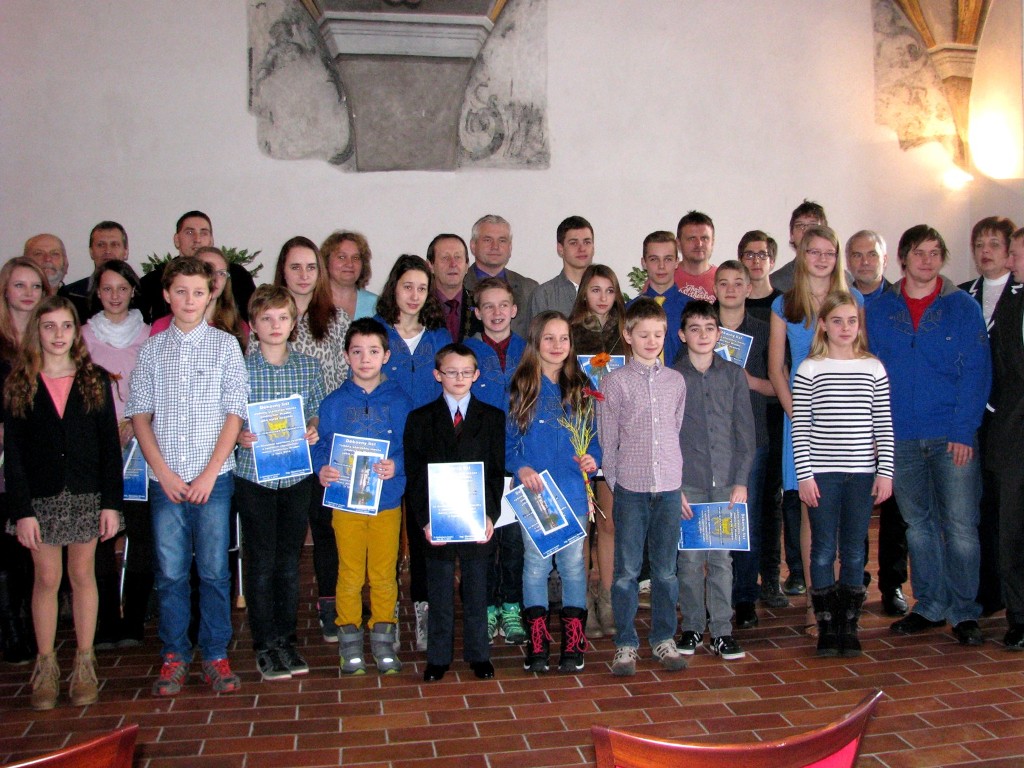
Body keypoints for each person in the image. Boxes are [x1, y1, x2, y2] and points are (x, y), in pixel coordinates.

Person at [126, 256, 248, 696]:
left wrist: (210, 474)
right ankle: (174, 654)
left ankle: (215, 653)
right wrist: (162, 472)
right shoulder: (153, 349)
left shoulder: (225, 346)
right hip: (166, 482)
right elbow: (140, 414)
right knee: (171, 572)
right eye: (180, 291)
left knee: (215, 572)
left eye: (198, 292)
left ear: (211, 294)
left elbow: (235, 413)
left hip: (214, 480)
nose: (190, 300)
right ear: (166, 295)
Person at [866, 224, 990, 646]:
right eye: (919, 252)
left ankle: (964, 611)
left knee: (960, 526)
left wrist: (963, 430)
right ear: (903, 258)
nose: (927, 260)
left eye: (935, 252)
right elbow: (872, 374)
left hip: (951, 436)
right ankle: (931, 605)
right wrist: (879, 434)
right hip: (900, 437)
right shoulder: (881, 309)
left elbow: (977, 372)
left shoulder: (962, 307)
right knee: (918, 526)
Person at [5, 296, 123, 709]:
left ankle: (85, 662)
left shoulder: (94, 379)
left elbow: (109, 447)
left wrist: (111, 503)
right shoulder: (20, 382)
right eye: (49, 326)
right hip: (40, 499)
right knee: (47, 579)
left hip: (86, 494)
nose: (58, 334)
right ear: (36, 331)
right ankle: (46, 664)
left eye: (66, 326)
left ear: (77, 332)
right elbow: (14, 454)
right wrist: (22, 510)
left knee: (82, 575)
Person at [793, 291, 894, 657]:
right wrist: (805, 475)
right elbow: (801, 427)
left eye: (852, 321)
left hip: (862, 474)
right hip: (823, 473)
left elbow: (883, 424)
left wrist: (886, 472)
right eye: (837, 321)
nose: (845, 328)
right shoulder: (810, 369)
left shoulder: (873, 368)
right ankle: (826, 626)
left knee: (853, 550)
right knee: (822, 550)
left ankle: (848, 624)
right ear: (823, 325)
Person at [768, 226, 859, 632]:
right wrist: (798, 416)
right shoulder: (784, 304)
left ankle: (844, 602)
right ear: (801, 255)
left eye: (829, 252)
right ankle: (815, 602)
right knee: (812, 512)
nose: (822, 259)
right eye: (814, 252)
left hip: (847, 421)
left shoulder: (852, 300)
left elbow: (861, 357)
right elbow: (776, 369)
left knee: (844, 515)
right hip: (802, 420)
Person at [234, 285, 324, 681]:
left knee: (289, 562)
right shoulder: (239, 368)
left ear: (293, 323)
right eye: (266, 318)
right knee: (261, 561)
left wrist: (313, 429)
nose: (275, 325)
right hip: (253, 477)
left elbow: (317, 410)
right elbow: (227, 415)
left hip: (296, 476)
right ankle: (264, 644)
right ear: (253, 325)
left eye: (283, 318)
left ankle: (287, 639)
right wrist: (238, 435)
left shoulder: (308, 367)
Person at [313, 317, 412, 674]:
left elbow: (413, 446)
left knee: (384, 575)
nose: (365, 359)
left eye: (373, 351)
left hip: (386, 502)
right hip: (346, 504)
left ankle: (384, 641)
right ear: (346, 356)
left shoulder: (401, 401)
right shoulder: (333, 403)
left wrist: (397, 465)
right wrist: (322, 468)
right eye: (357, 352)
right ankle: (350, 643)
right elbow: (320, 445)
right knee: (351, 574)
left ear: (386, 356)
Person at [597, 298, 688, 676]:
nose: (651, 341)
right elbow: (608, 442)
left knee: (665, 572)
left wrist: (672, 477)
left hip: (668, 488)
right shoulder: (614, 381)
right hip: (630, 490)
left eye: (658, 335)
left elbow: (675, 430)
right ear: (628, 335)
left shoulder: (675, 381)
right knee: (626, 573)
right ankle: (626, 643)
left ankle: (664, 638)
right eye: (644, 334)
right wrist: (619, 485)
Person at [405, 343, 504, 681]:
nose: (459, 378)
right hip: (438, 519)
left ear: (476, 375)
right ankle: (438, 657)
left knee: (477, 589)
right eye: (451, 372)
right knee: (439, 590)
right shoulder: (420, 419)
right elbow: (415, 475)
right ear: (438, 375)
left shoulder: (492, 418)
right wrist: (425, 519)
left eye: (466, 372)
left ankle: (479, 654)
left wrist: (490, 515)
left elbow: (496, 472)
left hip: (477, 517)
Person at [507, 311, 600, 673]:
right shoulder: (521, 387)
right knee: (536, 566)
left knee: (574, 566)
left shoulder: (581, 386)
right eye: (549, 338)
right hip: (537, 495)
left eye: (564, 338)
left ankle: (574, 642)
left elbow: (595, 439)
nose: (557, 345)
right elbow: (506, 442)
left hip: (573, 492)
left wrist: (593, 459)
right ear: (535, 342)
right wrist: (520, 467)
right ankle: (538, 642)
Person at [273, 236, 350, 642]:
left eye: (310, 267)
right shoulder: (269, 317)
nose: (303, 275)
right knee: (285, 533)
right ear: (282, 271)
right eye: (295, 267)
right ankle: (281, 613)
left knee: (326, 528)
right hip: (281, 446)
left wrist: (326, 424)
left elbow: (345, 379)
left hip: (325, 441)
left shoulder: (336, 320)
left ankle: (329, 603)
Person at [374, 254, 453, 651]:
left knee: (426, 534)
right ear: (394, 288)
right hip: (383, 451)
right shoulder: (376, 332)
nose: (414, 295)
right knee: (385, 535)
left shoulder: (438, 337)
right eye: (407, 286)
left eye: (422, 288)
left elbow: (453, 388)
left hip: (429, 449)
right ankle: (384, 613)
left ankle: (425, 609)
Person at [672, 301, 754, 661]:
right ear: (682, 335)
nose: (702, 335)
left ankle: (721, 630)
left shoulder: (734, 375)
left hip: (725, 484)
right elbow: (667, 436)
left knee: (721, 559)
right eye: (694, 328)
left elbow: (745, 434)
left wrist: (741, 481)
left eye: (709, 328)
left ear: (719, 334)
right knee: (689, 560)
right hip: (687, 483)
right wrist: (673, 487)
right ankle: (692, 625)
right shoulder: (673, 378)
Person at [81, 261, 153, 649]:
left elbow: (159, 388)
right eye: (107, 288)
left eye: (122, 288)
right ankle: (106, 620)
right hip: (95, 448)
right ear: (97, 292)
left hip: (141, 446)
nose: (114, 296)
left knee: (141, 533)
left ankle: (134, 621)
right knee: (101, 535)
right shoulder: (81, 336)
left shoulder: (149, 335)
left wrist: (136, 420)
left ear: (132, 291)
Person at [846, 229, 909, 617]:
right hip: (851, 422)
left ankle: (893, 584)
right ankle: (858, 582)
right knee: (856, 509)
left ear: (885, 260)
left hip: (894, 416)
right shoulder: (840, 301)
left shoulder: (901, 303)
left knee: (895, 508)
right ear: (848, 261)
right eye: (857, 255)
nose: (865, 261)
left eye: (872, 254)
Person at [959, 216, 1019, 617]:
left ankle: (1010, 595)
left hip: (1010, 416)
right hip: (971, 413)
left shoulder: (1020, 292)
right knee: (976, 506)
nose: (986, 251)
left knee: (1007, 509)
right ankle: (985, 591)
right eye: (979, 244)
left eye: (994, 244)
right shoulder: (962, 294)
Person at [463, 278, 528, 645]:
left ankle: (512, 606)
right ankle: (487, 608)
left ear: (514, 310)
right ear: (477, 313)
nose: (497, 312)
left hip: (519, 464)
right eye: (488, 306)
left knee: (514, 543)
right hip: (481, 464)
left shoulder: (529, 350)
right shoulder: (466, 353)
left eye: (503, 305)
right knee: (483, 543)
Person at [713, 260, 773, 630]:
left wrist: (748, 380)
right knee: (716, 517)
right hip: (711, 441)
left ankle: (746, 595)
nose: (732, 289)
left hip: (752, 439)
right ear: (714, 288)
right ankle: (717, 594)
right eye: (724, 282)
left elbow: (778, 386)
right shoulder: (703, 327)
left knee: (746, 519)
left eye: (739, 283)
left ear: (750, 289)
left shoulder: (765, 330)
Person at [568, 264, 626, 638]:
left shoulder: (627, 334)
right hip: (579, 437)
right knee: (581, 524)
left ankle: (607, 597)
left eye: (609, 290)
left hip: (615, 438)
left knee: (609, 522)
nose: (602, 298)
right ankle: (581, 601)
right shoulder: (570, 333)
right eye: (595, 290)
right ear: (583, 294)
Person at [0, 256, 50, 666]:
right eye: (20, 285)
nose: (29, 293)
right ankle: (10, 628)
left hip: (36, 457)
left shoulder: (49, 337)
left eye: (36, 286)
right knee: (5, 545)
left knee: (30, 546)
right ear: (5, 290)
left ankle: (30, 625)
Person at [987, 227, 1024, 649]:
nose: (1009, 262)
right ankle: (1020, 616)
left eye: (1016, 254)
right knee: (1012, 529)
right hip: (1014, 433)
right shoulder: (1009, 303)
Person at [138, 211, 257, 322]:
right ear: (177, 240)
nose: (197, 239)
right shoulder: (156, 280)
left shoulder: (237, 275)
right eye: (189, 232)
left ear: (211, 240)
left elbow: (253, 317)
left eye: (204, 233)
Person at [152, 246, 249, 351]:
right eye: (208, 270)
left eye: (221, 273)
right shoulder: (162, 326)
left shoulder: (239, 327)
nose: (215, 278)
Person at [465, 214, 538, 337]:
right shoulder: (458, 285)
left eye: (502, 240)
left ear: (510, 248)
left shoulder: (530, 289)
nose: (495, 246)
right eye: (487, 240)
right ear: (473, 246)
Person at [629, 231, 690, 366]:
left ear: (677, 262)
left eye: (668, 259)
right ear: (644, 263)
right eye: (654, 259)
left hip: (684, 379)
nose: (661, 266)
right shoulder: (629, 309)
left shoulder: (692, 309)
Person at [526, 216, 595, 322]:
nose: (582, 248)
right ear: (560, 249)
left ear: (593, 247)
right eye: (574, 243)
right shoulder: (544, 296)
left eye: (587, 242)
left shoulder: (606, 293)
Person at [62, 222, 132, 321]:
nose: (107, 250)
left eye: (114, 245)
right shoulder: (70, 294)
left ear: (125, 251)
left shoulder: (142, 295)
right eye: (101, 245)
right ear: (91, 252)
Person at [427, 233, 481, 343]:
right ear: (430, 266)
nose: (453, 264)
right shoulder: (419, 306)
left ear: (466, 265)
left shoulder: (480, 304)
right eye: (445, 258)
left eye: (458, 257)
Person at [771, 200, 829, 294]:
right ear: (791, 235)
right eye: (799, 225)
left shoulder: (843, 280)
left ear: (826, 233)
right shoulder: (776, 283)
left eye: (812, 225)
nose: (805, 231)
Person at [321, 230, 378, 320]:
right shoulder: (311, 301)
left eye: (355, 258)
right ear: (326, 261)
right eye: (341, 257)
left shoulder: (377, 306)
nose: (350, 264)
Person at [674, 211, 718, 302]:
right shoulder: (664, 278)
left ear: (712, 242)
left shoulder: (723, 279)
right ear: (678, 243)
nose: (699, 244)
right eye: (692, 238)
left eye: (704, 238)